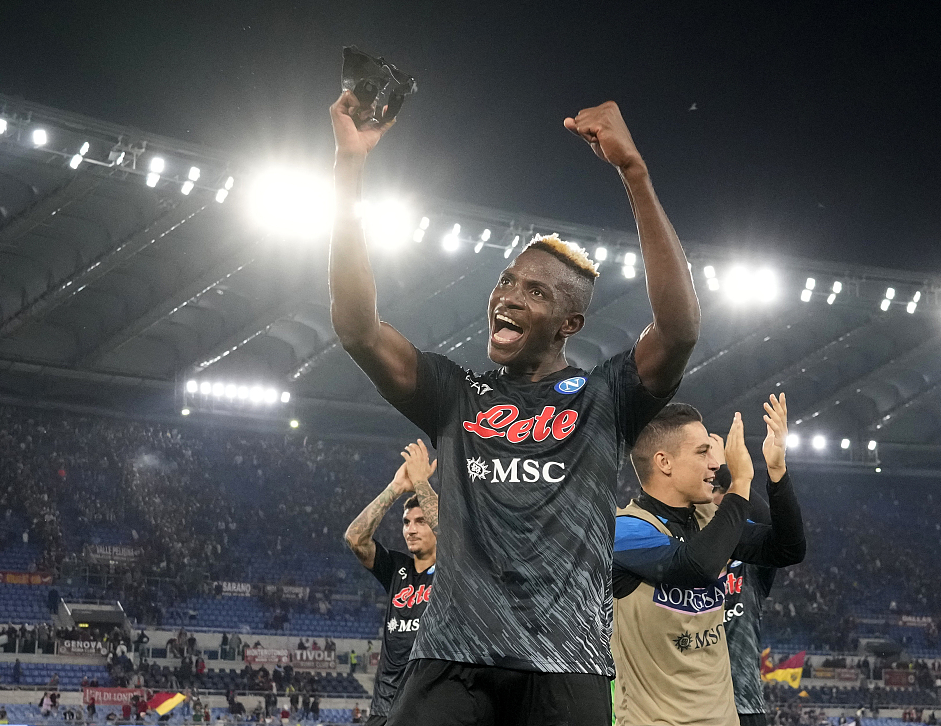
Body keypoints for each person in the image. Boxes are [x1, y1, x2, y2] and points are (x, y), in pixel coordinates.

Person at [329, 85, 700, 725]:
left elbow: (679, 331)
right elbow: (359, 328)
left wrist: (633, 172)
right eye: (506, 281)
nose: (508, 295)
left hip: (567, 666)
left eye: (535, 290)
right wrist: (350, 168)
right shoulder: (454, 395)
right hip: (452, 661)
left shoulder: (603, 397)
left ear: (570, 323)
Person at [610, 395, 805, 726]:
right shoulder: (624, 529)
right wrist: (739, 482)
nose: (716, 464)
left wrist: (776, 471)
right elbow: (694, 568)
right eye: (702, 453)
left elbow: (787, 549)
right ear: (664, 462)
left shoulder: (707, 517)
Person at [345, 443, 438, 726]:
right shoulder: (397, 567)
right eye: (407, 522)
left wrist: (422, 483)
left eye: (421, 521)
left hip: (430, 706)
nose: (411, 528)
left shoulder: (453, 570)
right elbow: (355, 539)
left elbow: (453, 534)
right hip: (385, 708)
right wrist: (396, 488)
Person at [712, 445, 779, 726]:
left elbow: (771, 526)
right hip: (696, 705)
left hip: (745, 706)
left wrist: (727, 471)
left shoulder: (749, 569)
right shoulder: (683, 562)